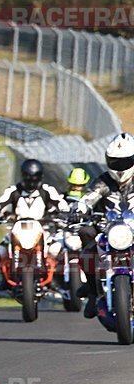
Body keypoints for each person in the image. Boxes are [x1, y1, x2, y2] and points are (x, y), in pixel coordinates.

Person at [70, 134, 134, 318]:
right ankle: (92, 291)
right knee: (85, 234)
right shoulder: (103, 181)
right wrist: (79, 209)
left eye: (123, 163)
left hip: (133, 229)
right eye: (115, 162)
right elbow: (89, 197)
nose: (119, 168)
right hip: (107, 229)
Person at [0, 159, 68, 291]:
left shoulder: (47, 190)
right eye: (28, 178)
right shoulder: (13, 190)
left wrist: (65, 212)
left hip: (41, 228)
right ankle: (5, 277)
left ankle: (53, 278)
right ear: (23, 176)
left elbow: (60, 202)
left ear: (40, 177)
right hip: (18, 227)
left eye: (34, 179)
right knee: (0, 251)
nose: (31, 182)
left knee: (56, 249)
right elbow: (0, 203)